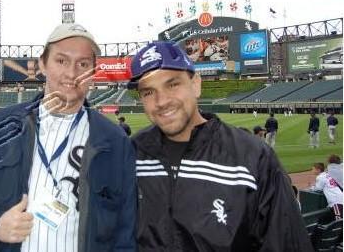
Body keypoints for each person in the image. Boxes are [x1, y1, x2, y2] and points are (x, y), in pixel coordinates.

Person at [0, 23, 137, 252]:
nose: (72, 73)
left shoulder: (115, 141)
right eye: (61, 61)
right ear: (42, 64)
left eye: (83, 64)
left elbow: (125, 230)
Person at [128, 41, 313, 251]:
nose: (161, 101)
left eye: (172, 84)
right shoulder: (131, 153)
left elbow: (287, 243)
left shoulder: (253, 157)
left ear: (196, 84)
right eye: (148, 92)